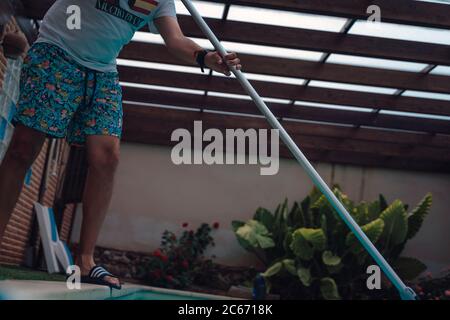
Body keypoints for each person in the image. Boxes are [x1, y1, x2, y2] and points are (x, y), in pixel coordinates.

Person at [0, 0, 242, 289]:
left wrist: (206, 58)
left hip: (101, 71)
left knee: (107, 157)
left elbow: (175, 40)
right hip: (56, 52)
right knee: (24, 147)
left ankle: (86, 260)